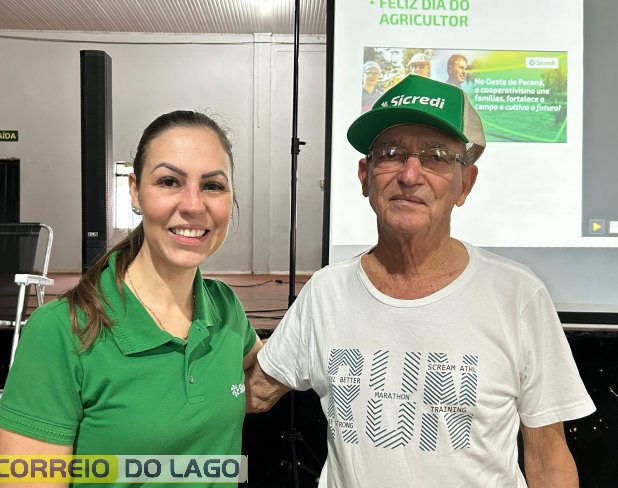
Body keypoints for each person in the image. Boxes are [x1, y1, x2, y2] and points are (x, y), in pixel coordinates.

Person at [247, 75, 595, 487]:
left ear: (465, 184)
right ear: (365, 176)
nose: (410, 175)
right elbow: (254, 393)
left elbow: (548, 456)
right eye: (391, 154)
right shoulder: (327, 292)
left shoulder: (517, 295)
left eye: (437, 157)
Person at [0, 110, 262, 487]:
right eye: (169, 181)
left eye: (213, 186)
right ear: (135, 191)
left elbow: (263, 373)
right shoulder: (59, 332)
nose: (193, 205)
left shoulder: (224, 307)